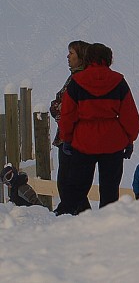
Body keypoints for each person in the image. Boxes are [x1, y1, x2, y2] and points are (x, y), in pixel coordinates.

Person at [58, 43, 139, 214]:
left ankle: (74, 222)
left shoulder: (76, 82)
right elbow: (130, 115)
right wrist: (129, 139)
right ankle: (108, 226)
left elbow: (67, 115)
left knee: (78, 189)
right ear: (108, 59)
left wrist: (67, 138)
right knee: (110, 190)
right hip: (112, 142)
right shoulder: (118, 81)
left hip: (84, 142)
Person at [49, 40, 91, 215]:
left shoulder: (80, 79)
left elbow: (67, 108)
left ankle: (74, 212)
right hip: (66, 135)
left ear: (81, 56)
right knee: (68, 180)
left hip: (73, 137)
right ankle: (79, 212)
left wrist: (56, 107)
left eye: (72, 53)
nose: (68, 56)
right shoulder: (74, 76)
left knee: (69, 181)